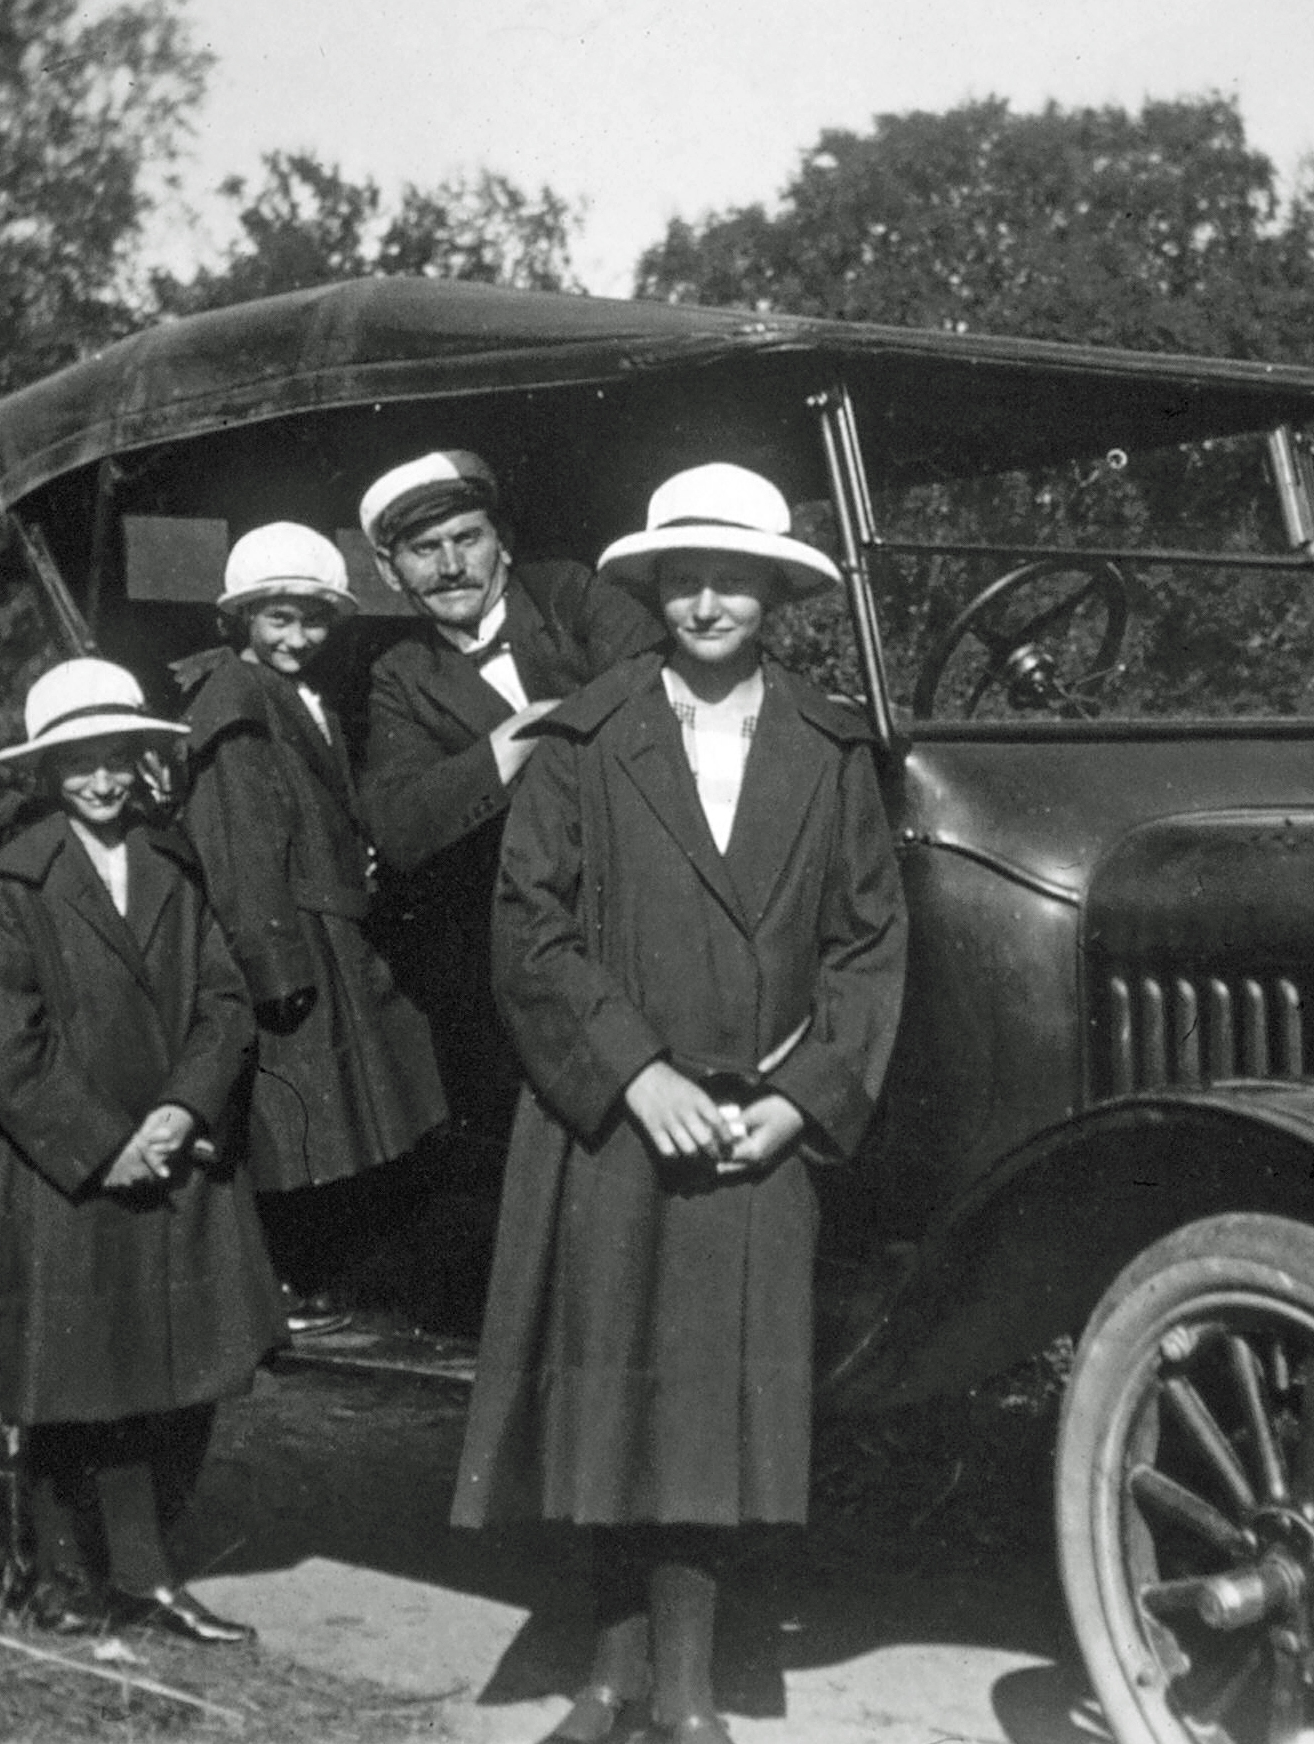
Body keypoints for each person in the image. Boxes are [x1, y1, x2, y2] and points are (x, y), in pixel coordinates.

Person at [450, 464, 907, 1744]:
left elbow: (868, 947)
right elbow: (529, 934)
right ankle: (606, 1683)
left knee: (710, 1412)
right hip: (608, 1121)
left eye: (736, 577)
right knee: (611, 1400)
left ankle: (691, 1693)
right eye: (684, 577)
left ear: (775, 594)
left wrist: (802, 1103)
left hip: (755, 1134)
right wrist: (634, 1073)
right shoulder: (581, 739)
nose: (708, 599)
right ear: (652, 589)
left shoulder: (829, 750)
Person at [0, 658, 280, 1644]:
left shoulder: (171, 863)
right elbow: (6, 1051)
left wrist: (182, 1112)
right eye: (79, 764)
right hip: (69, 1167)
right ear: (47, 771)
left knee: (170, 1375)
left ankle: (140, 1571)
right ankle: (66, 1576)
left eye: (118, 761)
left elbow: (224, 1004)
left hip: (174, 1152)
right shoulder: (15, 883)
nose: (102, 782)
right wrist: (108, 1144)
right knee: (78, 1379)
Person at [172, 523, 446, 1334]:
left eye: (313, 620)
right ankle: (289, 1282)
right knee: (299, 1124)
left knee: (341, 1120)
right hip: (294, 939)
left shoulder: (296, 696)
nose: (297, 638)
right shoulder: (235, 700)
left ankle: (321, 1279)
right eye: (277, 619)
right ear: (243, 620)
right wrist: (272, 963)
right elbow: (240, 840)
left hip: (329, 929)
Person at [356, 450, 662, 1151]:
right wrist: (515, 736)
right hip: (523, 948)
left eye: (468, 538)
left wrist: (555, 723)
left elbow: (653, 690)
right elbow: (402, 824)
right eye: (422, 550)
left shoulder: (570, 594)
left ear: (503, 541)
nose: (450, 566)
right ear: (387, 569)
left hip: (647, 907)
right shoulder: (401, 676)